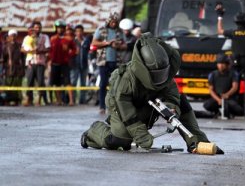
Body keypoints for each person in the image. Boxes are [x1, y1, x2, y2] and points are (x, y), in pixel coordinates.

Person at [80, 33, 224, 154]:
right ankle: (93, 132)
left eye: (163, 73)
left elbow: (172, 95)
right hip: (123, 106)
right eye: (156, 75)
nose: (161, 78)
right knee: (120, 142)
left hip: (149, 101)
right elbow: (123, 103)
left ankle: (195, 141)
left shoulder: (166, 75)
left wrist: (171, 107)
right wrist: (139, 132)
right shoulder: (127, 79)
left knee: (181, 100)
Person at [216, 3, 245, 119]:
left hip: (235, 61)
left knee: (232, 82)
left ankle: (229, 107)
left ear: (236, 22)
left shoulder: (233, 32)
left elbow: (220, 30)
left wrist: (220, 16)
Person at [92, 12, 127, 114]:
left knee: (116, 84)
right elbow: (94, 42)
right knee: (103, 84)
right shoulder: (101, 30)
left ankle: (114, 106)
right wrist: (107, 43)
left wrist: (118, 46)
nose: (113, 24)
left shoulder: (120, 32)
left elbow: (125, 45)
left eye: (115, 22)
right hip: (103, 61)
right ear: (108, 21)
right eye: (112, 22)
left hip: (116, 61)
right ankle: (102, 106)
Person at [203, 54, 242, 118]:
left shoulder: (233, 73)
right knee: (207, 105)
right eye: (219, 63)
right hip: (217, 98)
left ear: (227, 65)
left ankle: (229, 112)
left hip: (229, 98)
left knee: (238, 109)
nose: (220, 66)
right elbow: (211, 90)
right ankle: (217, 111)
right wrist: (218, 100)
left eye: (223, 64)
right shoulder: (213, 74)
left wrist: (227, 94)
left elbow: (235, 87)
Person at [21, 21, 50, 106]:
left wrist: (39, 51)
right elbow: (22, 49)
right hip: (30, 62)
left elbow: (48, 48)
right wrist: (28, 51)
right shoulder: (27, 38)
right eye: (36, 27)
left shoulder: (45, 37)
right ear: (33, 28)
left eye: (39, 27)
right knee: (29, 81)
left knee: (40, 82)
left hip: (40, 62)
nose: (38, 29)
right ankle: (29, 100)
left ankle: (40, 100)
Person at [49, 19, 77, 106]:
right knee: (56, 83)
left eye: (61, 28)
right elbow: (49, 51)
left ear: (64, 29)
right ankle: (59, 100)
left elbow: (75, 50)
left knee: (68, 82)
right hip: (55, 63)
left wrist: (69, 55)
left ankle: (71, 101)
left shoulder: (68, 39)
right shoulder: (52, 39)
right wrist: (50, 60)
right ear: (56, 28)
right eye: (58, 28)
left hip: (65, 64)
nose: (60, 30)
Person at [1, 30, 25, 105]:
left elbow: (23, 58)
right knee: (8, 85)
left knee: (17, 85)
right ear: (9, 37)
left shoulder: (20, 46)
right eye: (11, 35)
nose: (13, 37)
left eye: (14, 35)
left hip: (18, 70)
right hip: (9, 69)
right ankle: (7, 101)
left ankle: (17, 101)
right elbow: (3, 59)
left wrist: (23, 68)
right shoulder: (5, 46)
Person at [70, 24, 91, 104]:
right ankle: (73, 99)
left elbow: (89, 51)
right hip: (75, 64)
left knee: (83, 83)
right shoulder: (73, 41)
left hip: (84, 64)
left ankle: (82, 100)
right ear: (75, 32)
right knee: (73, 82)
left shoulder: (86, 41)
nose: (79, 33)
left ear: (83, 32)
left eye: (80, 31)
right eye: (77, 31)